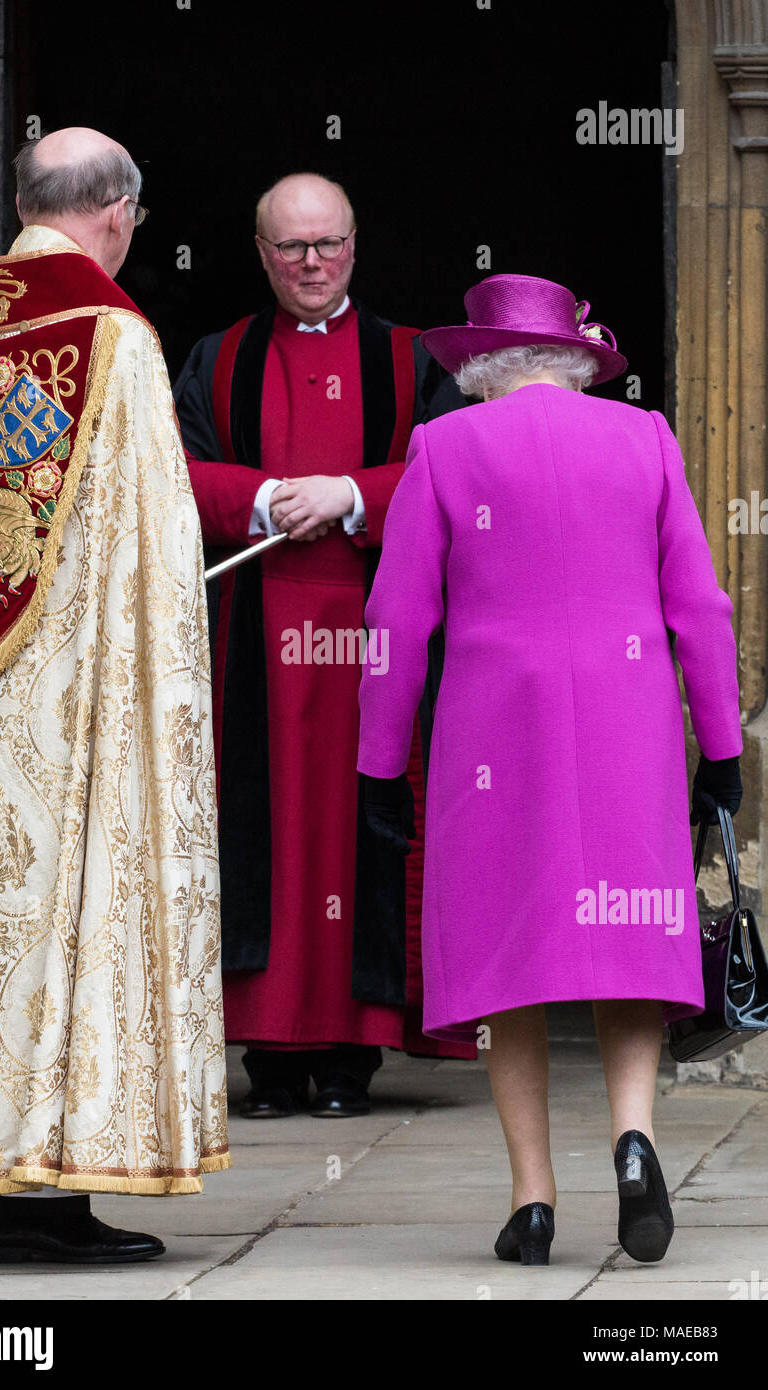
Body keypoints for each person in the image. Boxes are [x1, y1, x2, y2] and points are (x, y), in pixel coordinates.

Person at [357, 273, 743, 1264]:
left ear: (477, 367)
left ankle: (531, 1200)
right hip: (629, 720)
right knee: (626, 939)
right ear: (575, 361)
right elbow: (698, 607)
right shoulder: (644, 437)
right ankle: (631, 1138)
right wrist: (722, 751)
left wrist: (374, 760)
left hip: (494, 731)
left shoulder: (443, 447)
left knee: (505, 959)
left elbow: (397, 620)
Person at [0, 128, 229, 1262]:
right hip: (60, 696)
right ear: (119, 211)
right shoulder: (112, 336)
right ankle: (36, 1196)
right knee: (59, 916)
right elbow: (147, 549)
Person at [172, 172, 472, 1120]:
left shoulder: (411, 356)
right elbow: (166, 471)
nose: (312, 264)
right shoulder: (215, 358)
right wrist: (261, 498)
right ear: (261, 254)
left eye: (328, 244)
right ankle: (269, 1055)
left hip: (377, 635)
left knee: (362, 834)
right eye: (292, 248)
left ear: (355, 245)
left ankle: (352, 1056)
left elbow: (455, 466)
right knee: (270, 833)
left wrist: (350, 495)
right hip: (254, 643)